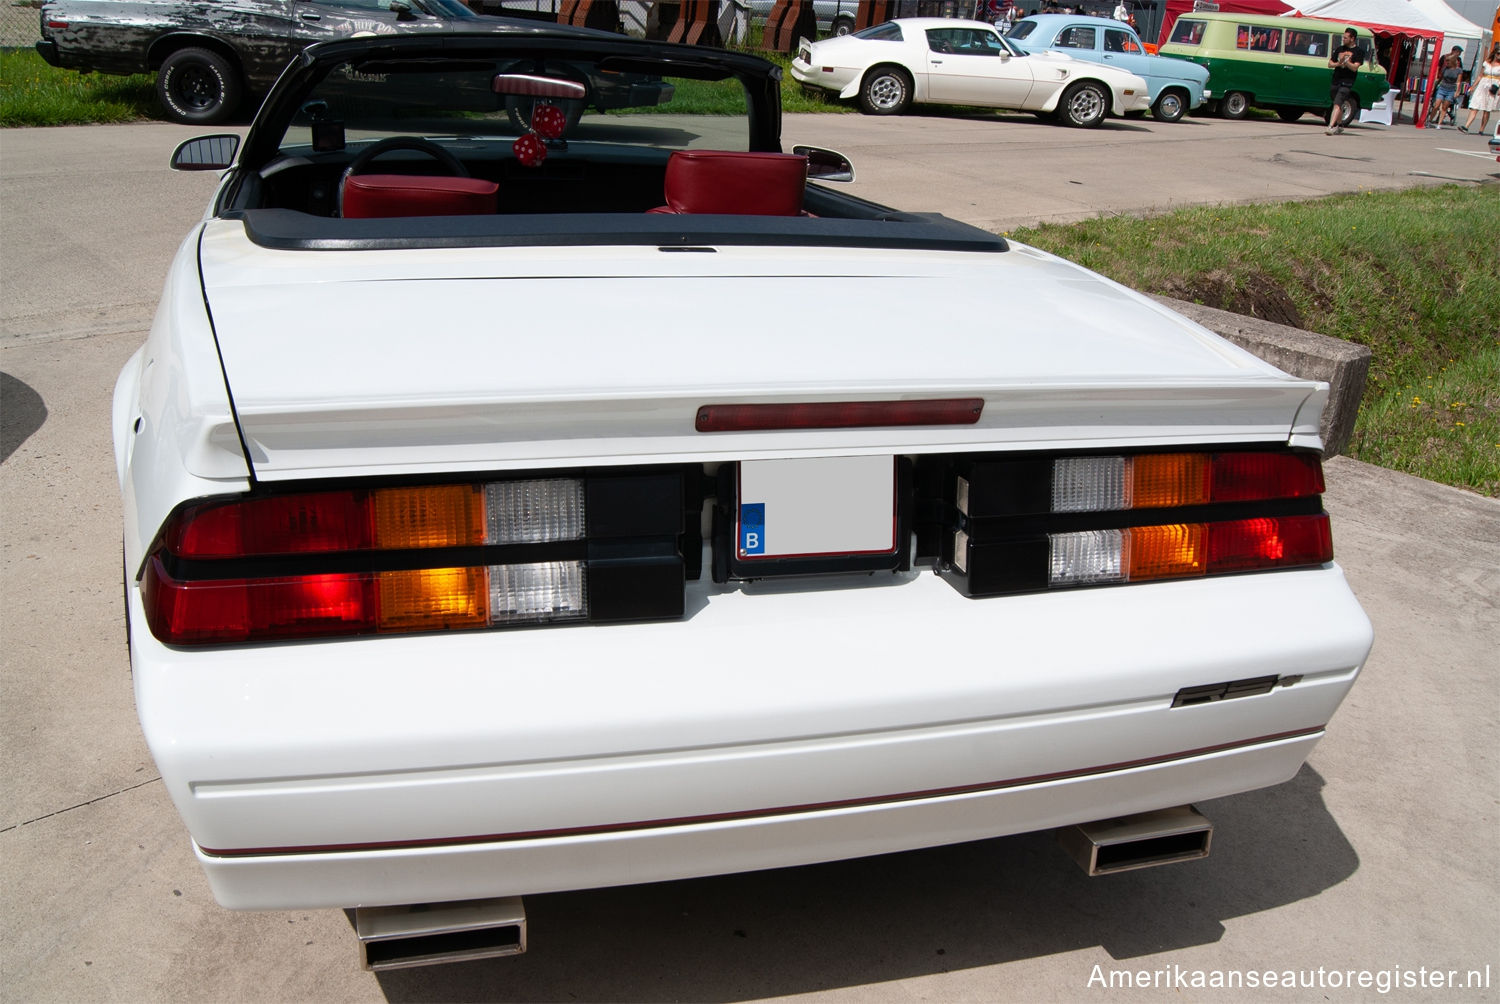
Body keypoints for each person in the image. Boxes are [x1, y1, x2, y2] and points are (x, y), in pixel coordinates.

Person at [1326, 27, 1363, 134]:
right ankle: (1339, 125)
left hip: (1347, 82)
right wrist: (1339, 63)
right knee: (1338, 104)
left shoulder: (1358, 52)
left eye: (1346, 38)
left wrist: (1346, 61)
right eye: (1343, 37)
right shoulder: (1339, 49)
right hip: (1336, 80)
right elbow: (1330, 64)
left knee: (1337, 104)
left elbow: (1355, 67)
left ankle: (1330, 126)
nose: (1343, 39)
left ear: (1352, 38)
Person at [1459, 43, 1500, 135]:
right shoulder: (1487, 63)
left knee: (1487, 109)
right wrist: (1473, 86)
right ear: (1494, 53)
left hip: (1493, 87)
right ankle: (1466, 126)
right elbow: (1480, 75)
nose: (1499, 56)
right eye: (1498, 54)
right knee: (1475, 106)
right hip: (1482, 85)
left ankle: (1481, 129)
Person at [1428, 49, 1463, 129]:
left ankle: (1439, 124)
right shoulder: (1445, 69)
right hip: (1442, 87)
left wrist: (1457, 91)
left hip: (1451, 89)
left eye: (1448, 61)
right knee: (1436, 105)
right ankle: (1430, 120)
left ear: (1452, 61)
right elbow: (1440, 78)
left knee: (1444, 107)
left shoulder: (1458, 70)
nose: (1446, 63)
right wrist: (1434, 86)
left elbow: (1458, 82)